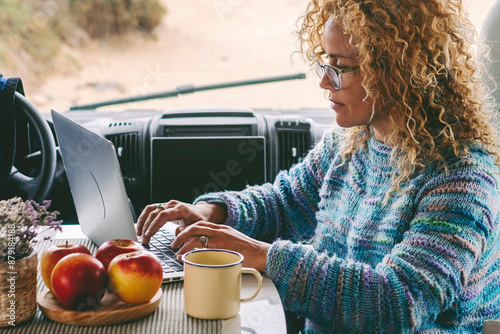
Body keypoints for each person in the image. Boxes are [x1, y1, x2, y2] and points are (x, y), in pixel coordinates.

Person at [137, 0, 500, 332]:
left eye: (339, 68)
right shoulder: (351, 141)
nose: (325, 81)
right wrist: (212, 212)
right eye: (325, 63)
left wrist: (266, 256)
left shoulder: (463, 178)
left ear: (398, 70)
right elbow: (286, 203)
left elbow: (396, 302)